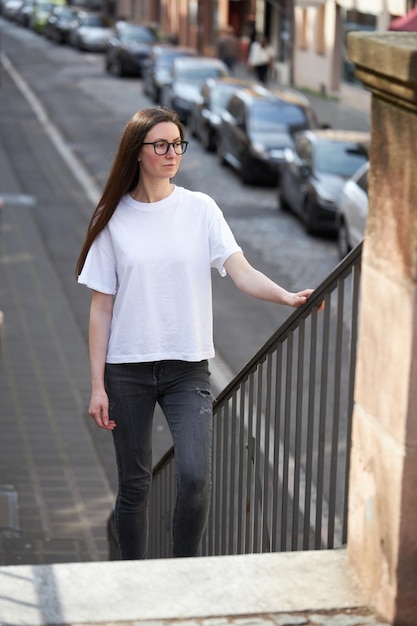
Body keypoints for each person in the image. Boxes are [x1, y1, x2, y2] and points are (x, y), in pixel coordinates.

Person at [76, 106, 319, 560]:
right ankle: (132, 576)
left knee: (193, 474)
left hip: (187, 369)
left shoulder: (200, 209)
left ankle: (181, 570)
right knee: (135, 484)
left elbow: (241, 272)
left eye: (177, 145)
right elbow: (101, 309)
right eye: (161, 145)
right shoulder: (111, 219)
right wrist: (96, 386)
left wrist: (286, 297)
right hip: (125, 371)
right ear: (138, 152)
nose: (172, 154)